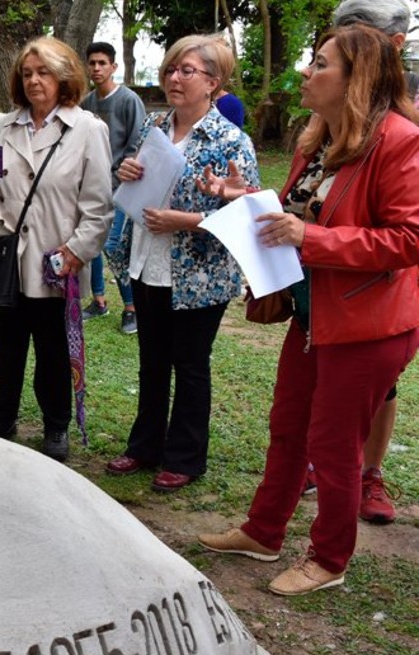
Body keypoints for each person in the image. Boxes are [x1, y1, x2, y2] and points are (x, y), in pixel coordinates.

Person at [197, 25, 419, 596]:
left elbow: (408, 238)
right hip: (312, 315)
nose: (304, 73)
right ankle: (264, 531)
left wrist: (310, 239)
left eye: (319, 64)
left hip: (367, 324)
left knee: (332, 445)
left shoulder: (399, 139)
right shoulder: (318, 136)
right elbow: (300, 210)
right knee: (288, 427)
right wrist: (246, 198)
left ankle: (328, 559)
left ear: (357, 78)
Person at [104, 34, 258, 490]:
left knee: (190, 364)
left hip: (199, 273)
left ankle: (186, 457)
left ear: (213, 82)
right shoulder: (156, 124)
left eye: (186, 70)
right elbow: (139, 180)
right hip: (147, 259)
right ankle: (144, 447)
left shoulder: (231, 140)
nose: (174, 77)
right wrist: (127, 171)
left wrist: (185, 220)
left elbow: (246, 216)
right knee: (152, 359)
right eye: (171, 69)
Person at [0, 37, 113, 461]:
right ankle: (4, 413)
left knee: (52, 352)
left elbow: (99, 206)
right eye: (27, 73)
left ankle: (56, 425)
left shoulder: (87, 130)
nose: (34, 80)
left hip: (56, 263)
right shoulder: (3, 127)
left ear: (64, 76)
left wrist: (76, 252)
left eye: (43, 72)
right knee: (7, 345)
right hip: (8, 260)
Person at [328, 0, 415, 524]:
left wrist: (314, 239)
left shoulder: (403, 125)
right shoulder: (327, 122)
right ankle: (333, 464)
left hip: (384, 291)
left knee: (382, 384)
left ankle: (370, 472)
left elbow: (406, 233)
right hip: (332, 291)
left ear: (394, 45)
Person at [79, 42, 143, 335]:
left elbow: (137, 144)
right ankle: (99, 300)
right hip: (92, 188)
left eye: (102, 63)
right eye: (92, 63)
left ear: (113, 67)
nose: (96, 68)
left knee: (113, 246)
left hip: (120, 188)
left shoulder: (129, 100)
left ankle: (131, 307)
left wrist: (120, 177)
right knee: (91, 245)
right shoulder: (87, 103)